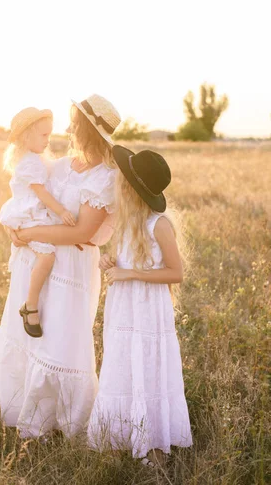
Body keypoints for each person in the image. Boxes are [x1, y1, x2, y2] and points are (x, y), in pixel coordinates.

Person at [0, 94, 121, 438]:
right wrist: (12, 227)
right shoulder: (60, 165)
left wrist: (30, 232)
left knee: (62, 337)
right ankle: (25, 411)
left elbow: (82, 231)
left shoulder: (106, 178)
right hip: (37, 261)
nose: (68, 129)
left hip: (72, 270)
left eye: (75, 124)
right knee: (32, 334)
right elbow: (26, 196)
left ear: (90, 131)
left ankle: (64, 421)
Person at [87, 146, 192, 467]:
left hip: (149, 311)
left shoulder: (159, 225)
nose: (117, 185)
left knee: (149, 368)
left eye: (122, 182)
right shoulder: (127, 222)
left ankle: (153, 443)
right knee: (121, 365)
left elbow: (176, 272)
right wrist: (110, 260)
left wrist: (129, 272)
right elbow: (126, 258)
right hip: (124, 310)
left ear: (132, 189)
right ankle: (118, 438)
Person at [0, 107, 75, 338]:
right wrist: (61, 211)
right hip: (28, 215)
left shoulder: (33, 158)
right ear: (26, 137)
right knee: (47, 256)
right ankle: (30, 305)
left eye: (49, 135)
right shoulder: (29, 163)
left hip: (31, 212)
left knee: (46, 255)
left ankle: (32, 302)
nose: (48, 140)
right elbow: (41, 193)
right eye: (43, 136)